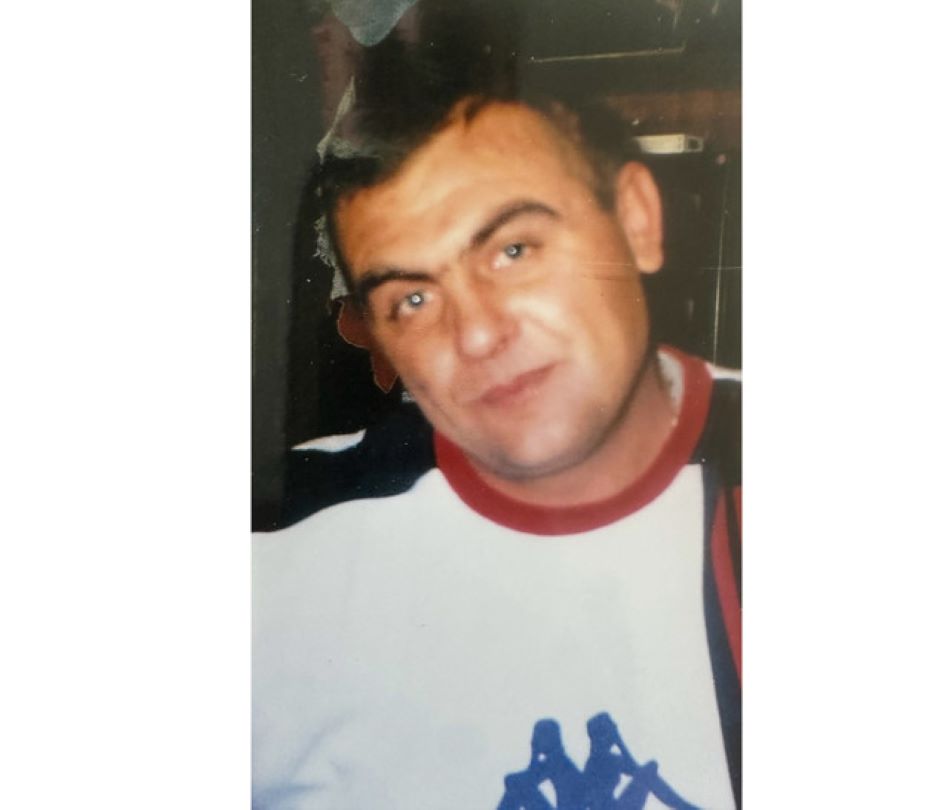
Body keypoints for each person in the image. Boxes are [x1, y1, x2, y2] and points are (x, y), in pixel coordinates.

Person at [253, 2, 741, 808]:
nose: (477, 334)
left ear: (637, 222)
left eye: (513, 250)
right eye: (412, 299)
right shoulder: (279, 549)